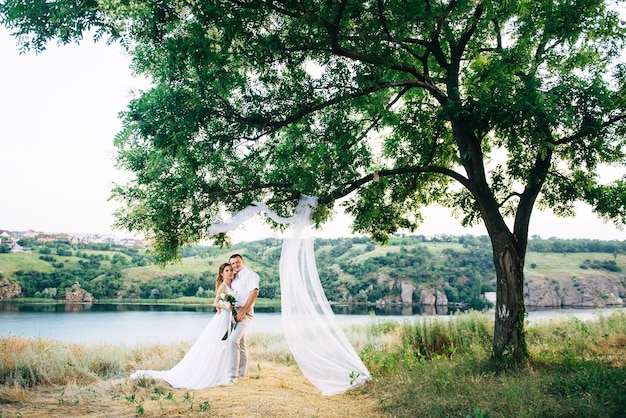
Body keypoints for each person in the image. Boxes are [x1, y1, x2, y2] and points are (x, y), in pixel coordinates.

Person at [129, 263, 236, 389]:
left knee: (227, 343)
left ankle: (224, 371)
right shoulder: (223, 286)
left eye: (230, 270)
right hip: (222, 318)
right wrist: (227, 307)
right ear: (222, 273)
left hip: (229, 317)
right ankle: (212, 372)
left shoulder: (233, 285)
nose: (229, 272)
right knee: (218, 342)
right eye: (226, 270)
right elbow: (215, 302)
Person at [228, 253, 259, 383]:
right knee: (241, 343)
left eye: (237, 262)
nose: (235, 265)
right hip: (235, 311)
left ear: (243, 261)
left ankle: (233, 376)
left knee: (233, 341)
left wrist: (242, 312)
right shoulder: (235, 278)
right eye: (233, 263)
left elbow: (254, 292)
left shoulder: (250, 275)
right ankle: (243, 374)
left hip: (245, 312)